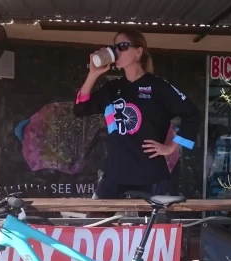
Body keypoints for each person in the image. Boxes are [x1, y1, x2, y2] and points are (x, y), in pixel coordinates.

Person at [73, 28, 200, 201]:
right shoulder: (111, 88)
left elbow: (192, 114)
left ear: (138, 52)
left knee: (149, 220)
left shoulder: (157, 86)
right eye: (114, 47)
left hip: (150, 174)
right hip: (115, 173)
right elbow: (80, 109)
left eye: (122, 46)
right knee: (97, 218)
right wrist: (93, 74)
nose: (116, 51)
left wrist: (171, 147)